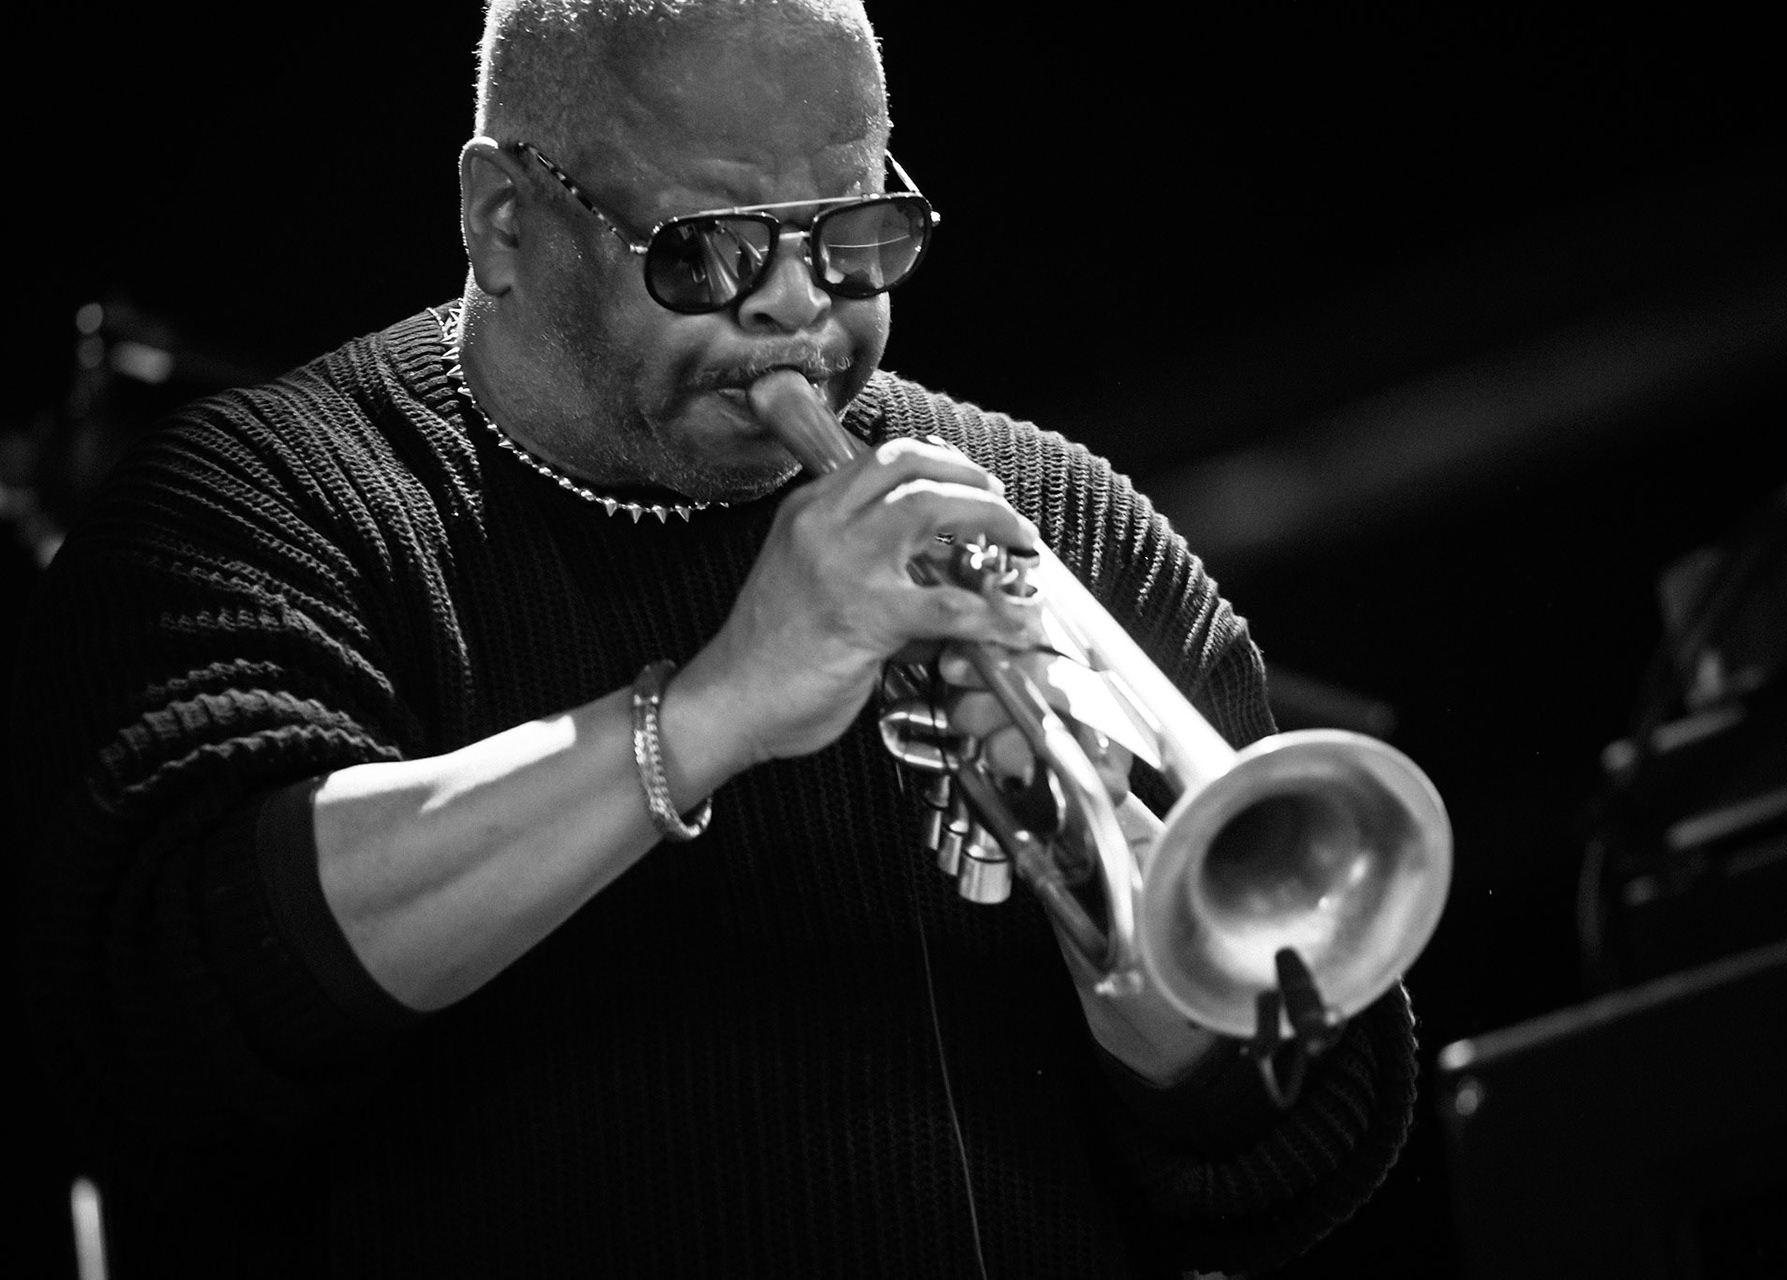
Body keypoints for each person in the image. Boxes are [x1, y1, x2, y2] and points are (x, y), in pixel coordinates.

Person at [9, 2, 1419, 1275]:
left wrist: (1122, 924)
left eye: (856, 237)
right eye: (710, 251)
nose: (800, 310)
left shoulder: (1045, 511)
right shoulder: (255, 500)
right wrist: (716, 708)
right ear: (503, 221)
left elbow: (1307, 1141)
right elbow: (165, 992)